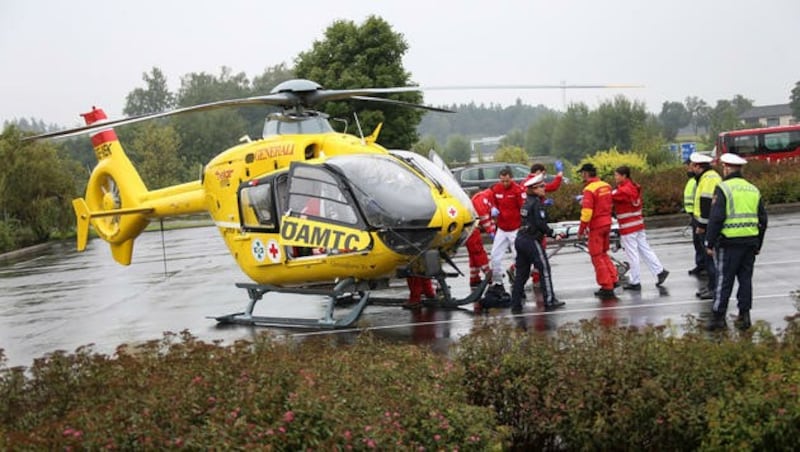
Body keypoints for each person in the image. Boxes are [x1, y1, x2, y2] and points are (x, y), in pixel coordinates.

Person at [704, 153, 768, 331]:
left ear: (726, 168)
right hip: (749, 243)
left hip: (729, 243)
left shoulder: (723, 188)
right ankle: (744, 316)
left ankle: (718, 317)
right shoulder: (753, 189)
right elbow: (763, 219)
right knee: (745, 280)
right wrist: (758, 244)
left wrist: (709, 242)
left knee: (724, 280)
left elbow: (716, 218)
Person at [510, 174, 566, 313]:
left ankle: (515, 303)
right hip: (531, 240)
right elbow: (540, 223)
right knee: (544, 268)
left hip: (520, 238)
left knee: (521, 274)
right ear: (534, 189)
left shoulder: (527, 202)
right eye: (541, 186)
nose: (544, 188)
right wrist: (553, 234)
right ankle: (550, 300)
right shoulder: (536, 203)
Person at [611, 166, 669, 290]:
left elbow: (609, 196)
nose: (615, 178)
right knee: (645, 249)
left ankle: (635, 281)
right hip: (638, 224)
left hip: (628, 227)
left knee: (632, 254)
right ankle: (660, 271)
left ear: (624, 176)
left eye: (616, 175)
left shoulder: (622, 190)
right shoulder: (634, 186)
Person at [576, 163, 618, 298]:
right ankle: (613, 279)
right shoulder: (606, 185)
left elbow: (587, 212)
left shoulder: (589, 190)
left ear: (585, 174)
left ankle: (606, 286)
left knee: (596, 256)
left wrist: (581, 229)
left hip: (596, 226)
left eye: (582, 173)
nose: (581, 176)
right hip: (607, 223)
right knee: (604, 253)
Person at [689, 152, 722, 300]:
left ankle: (714, 289)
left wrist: (701, 225)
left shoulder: (709, 179)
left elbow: (706, 204)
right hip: (706, 223)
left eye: (692, 165)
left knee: (710, 259)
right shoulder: (706, 177)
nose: (690, 168)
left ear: (698, 166)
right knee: (709, 258)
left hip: (708, 225)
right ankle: (711, 287)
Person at [488, 166, 526, 290]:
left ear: (511, 178)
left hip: (515, 229)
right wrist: (493, 209)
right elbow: (493, 202)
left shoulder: (517, 190)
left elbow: (523, 208)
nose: (504, 183)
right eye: (502, 181)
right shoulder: (496, 188)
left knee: (518, 256)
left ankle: (519, 281)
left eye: (507, 181)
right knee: (495, 255)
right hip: (502, 228)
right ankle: (498, 282)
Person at [466, 188, 495, 289]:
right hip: (472, 229)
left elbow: (487, 216)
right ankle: (489, 275)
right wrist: (491, 231)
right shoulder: (483, 198)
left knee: (474, 256)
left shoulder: (484, 198)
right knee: (479, 253)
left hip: (470, 229)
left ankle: (474, 279)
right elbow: (484, 216)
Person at [683, 159, 705, 277]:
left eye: (689, 166)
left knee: (701, 242)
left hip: (699, 215)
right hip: (694, 214)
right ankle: (701, 264)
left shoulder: (698, 181)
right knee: (697, 242)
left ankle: (704, 266)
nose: (688, 169)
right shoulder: (693, 180)